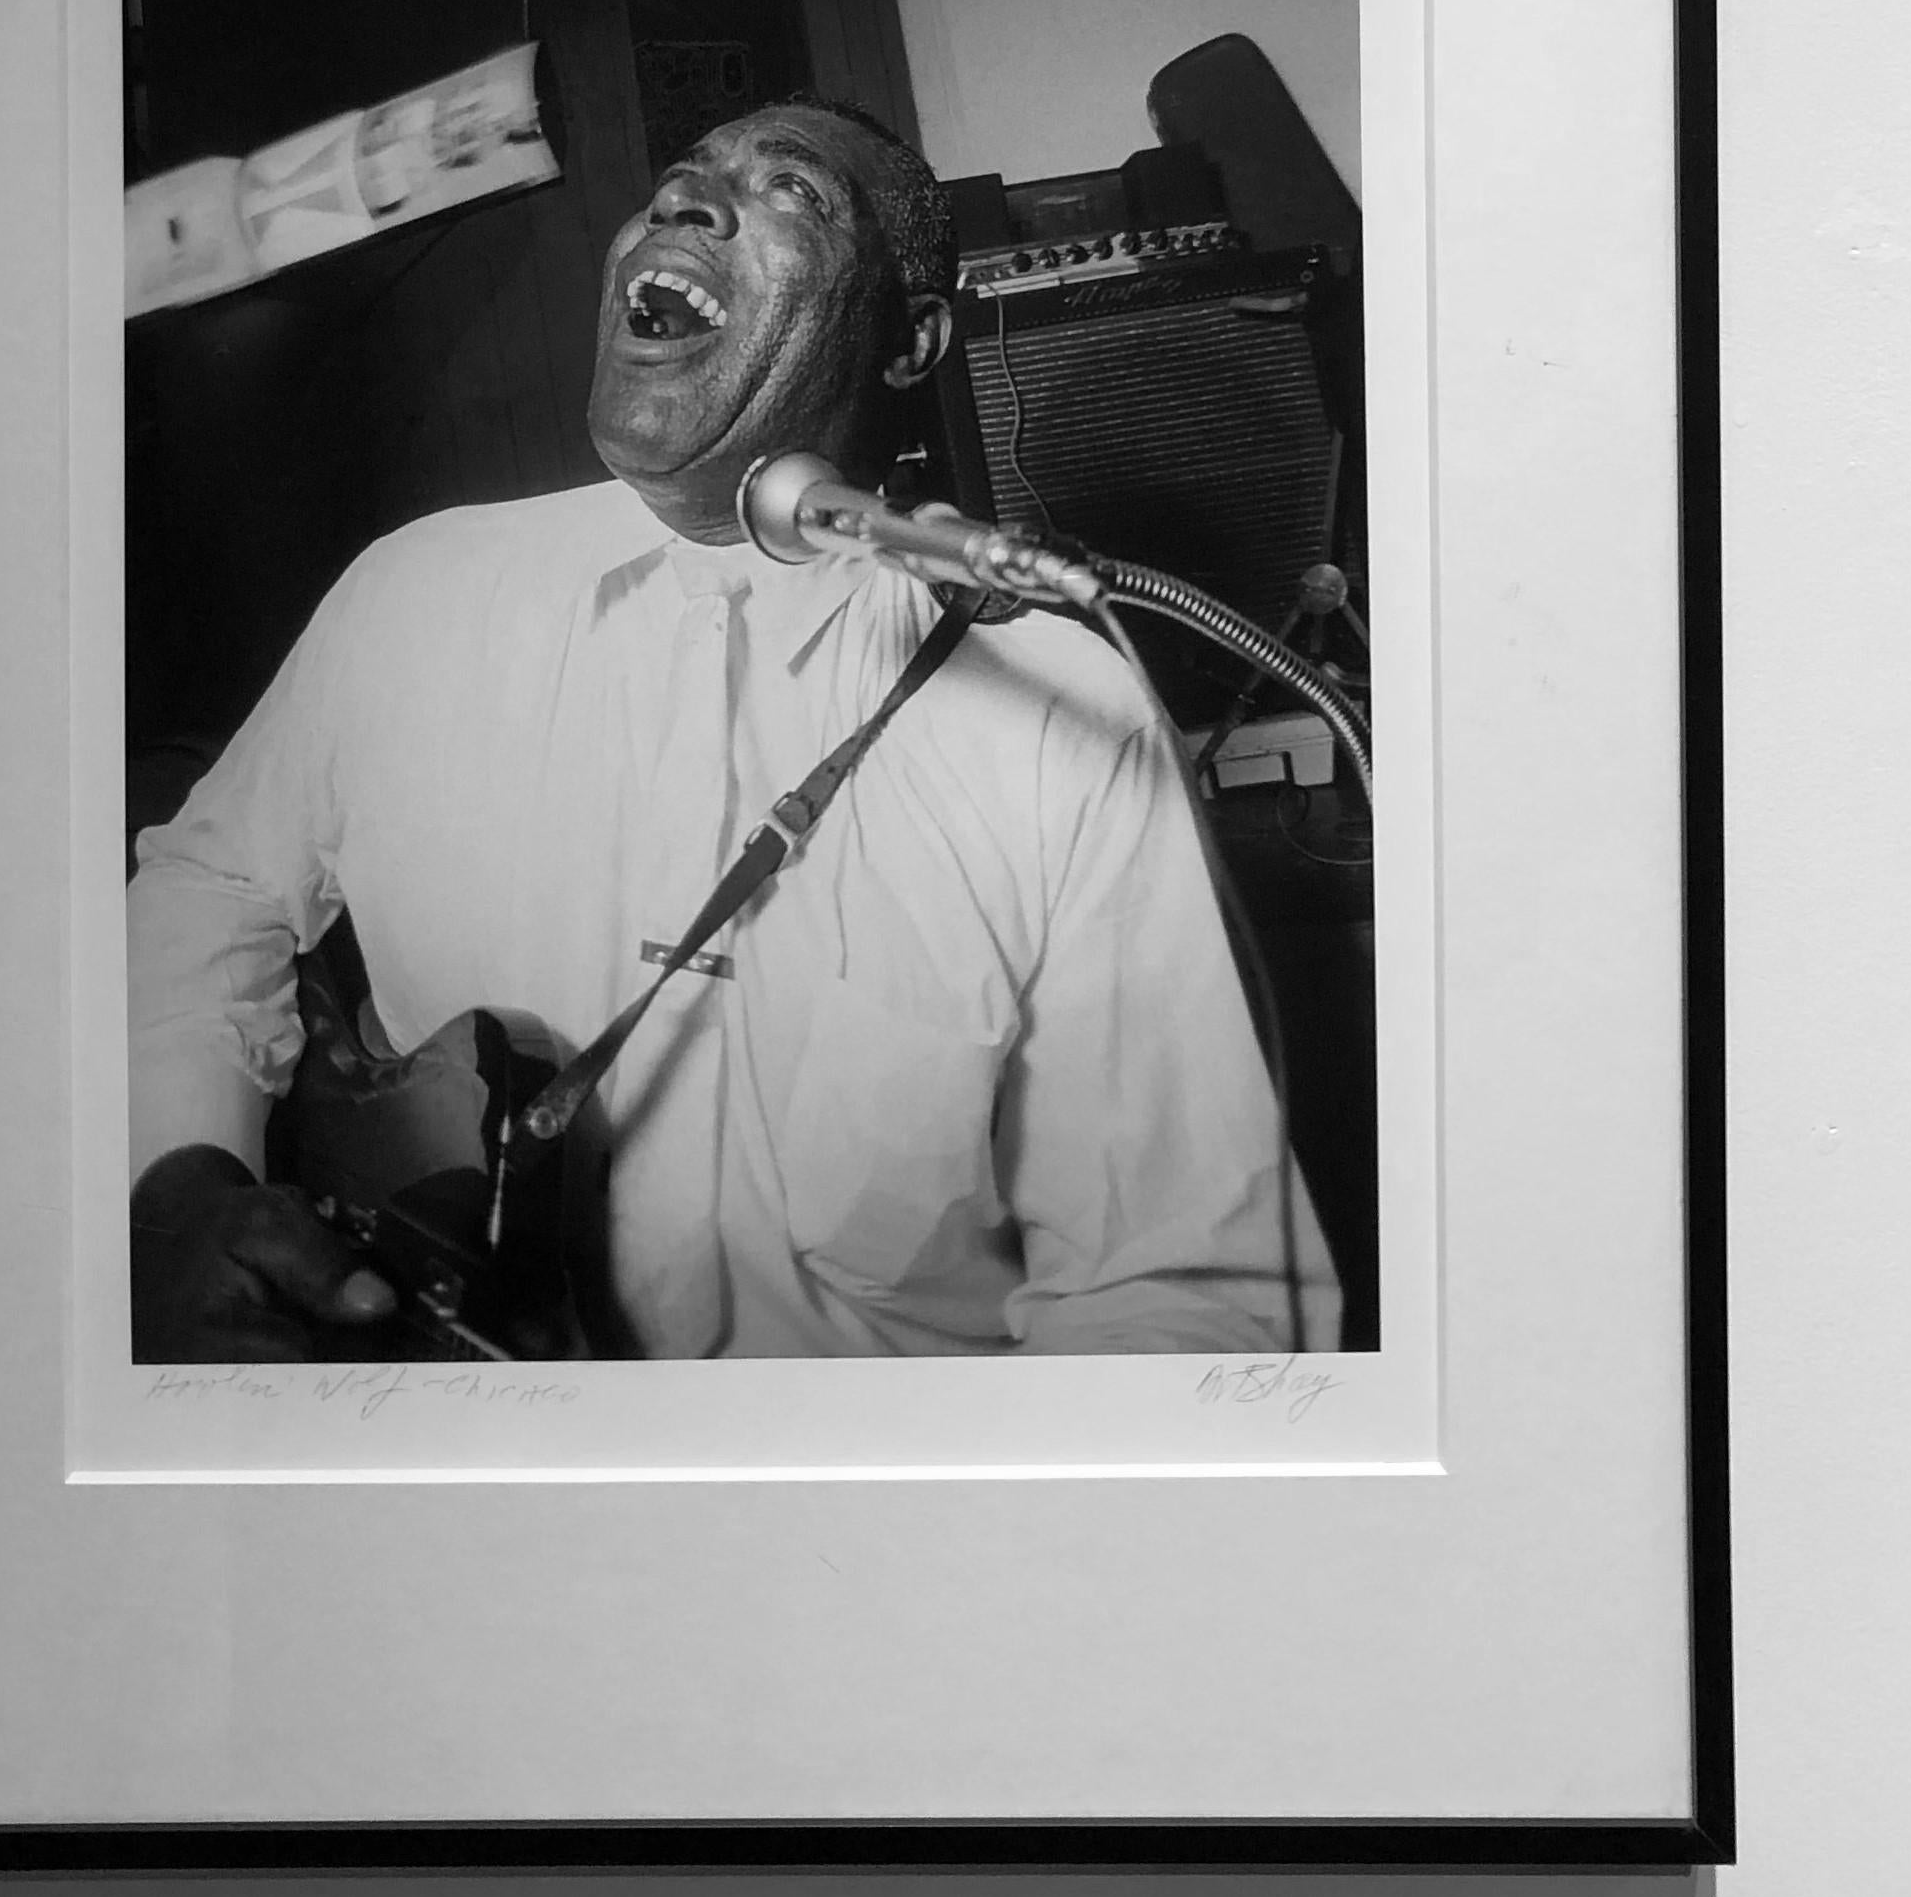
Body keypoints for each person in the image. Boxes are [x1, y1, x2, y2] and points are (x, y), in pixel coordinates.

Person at [127, 99, 1339, 1362]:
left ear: (911, 341)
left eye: (792, 195)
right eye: (677, 181)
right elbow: (213, 885)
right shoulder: (411, 595)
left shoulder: (1061, 718)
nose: (683, 204)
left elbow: (1184, 1291)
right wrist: (173, 1182)